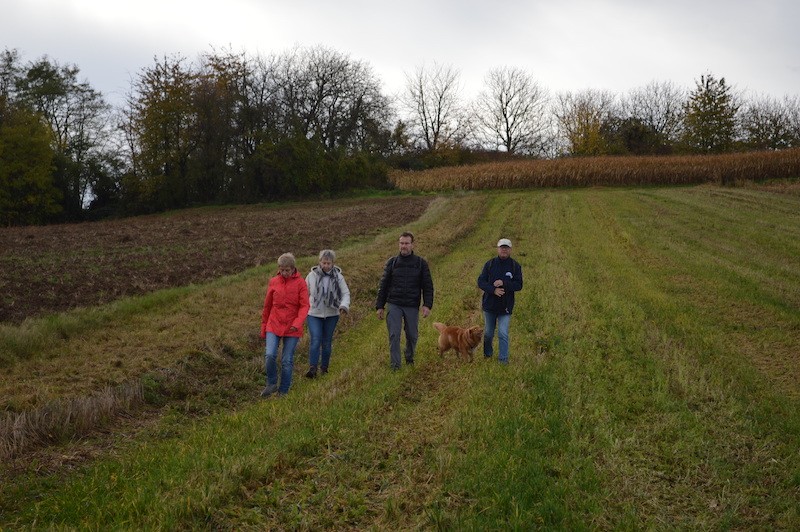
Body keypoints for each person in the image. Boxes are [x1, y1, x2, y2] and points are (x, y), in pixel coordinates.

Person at [375, 231, 434, 370]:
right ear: (398, 244)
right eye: (401, 243)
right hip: (394, 303)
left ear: (412, 245)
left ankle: (409, 356)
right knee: (394, 334)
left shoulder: (421, 263)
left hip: (412, 305)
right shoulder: (392, 263)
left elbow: (427, 286)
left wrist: (427, 305)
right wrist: (380, 306)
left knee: (412, 335)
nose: (404, 246)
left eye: (407, 243)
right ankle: (395, 365)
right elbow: (383, 285)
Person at [260, 252, 310, 397]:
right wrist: (264, 327)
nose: (284, 273)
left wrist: (297, 323)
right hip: (273, 324)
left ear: (293, 268)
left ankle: (284, 390)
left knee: (286, 360)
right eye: (282, 270)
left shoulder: (301, 283)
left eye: (287, 270)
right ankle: (271, 383)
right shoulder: (274, 282)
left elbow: (304, 306)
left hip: (292, 327)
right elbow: (267, 306)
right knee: (269, 355)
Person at [305, 249, 351, 378]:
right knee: (315, 339)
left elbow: (345, 293)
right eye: (323, 263)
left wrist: (343, 305)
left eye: (328, 263)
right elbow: (304, 293)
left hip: (332, 313)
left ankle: (324, 368)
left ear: (333, 263)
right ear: (319, 262)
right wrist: (304, 307)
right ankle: (312, 368)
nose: (326, 266)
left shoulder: (339, 277)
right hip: (314, 313)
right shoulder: (311, 276)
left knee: (326, 341)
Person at [477, 238, 523, 364]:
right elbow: (481, 282)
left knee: (503, 333)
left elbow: (519, 285)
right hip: (489, 306)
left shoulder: (515, 266)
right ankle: (488, 355)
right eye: (502, 247)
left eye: (506, 247)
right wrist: (493, 290)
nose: (504, 249)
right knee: (488, 334)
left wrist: (504, 283)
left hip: (505, 307)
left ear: (510, 250)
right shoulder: (490, 264)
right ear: (497, 249)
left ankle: (503, 359)